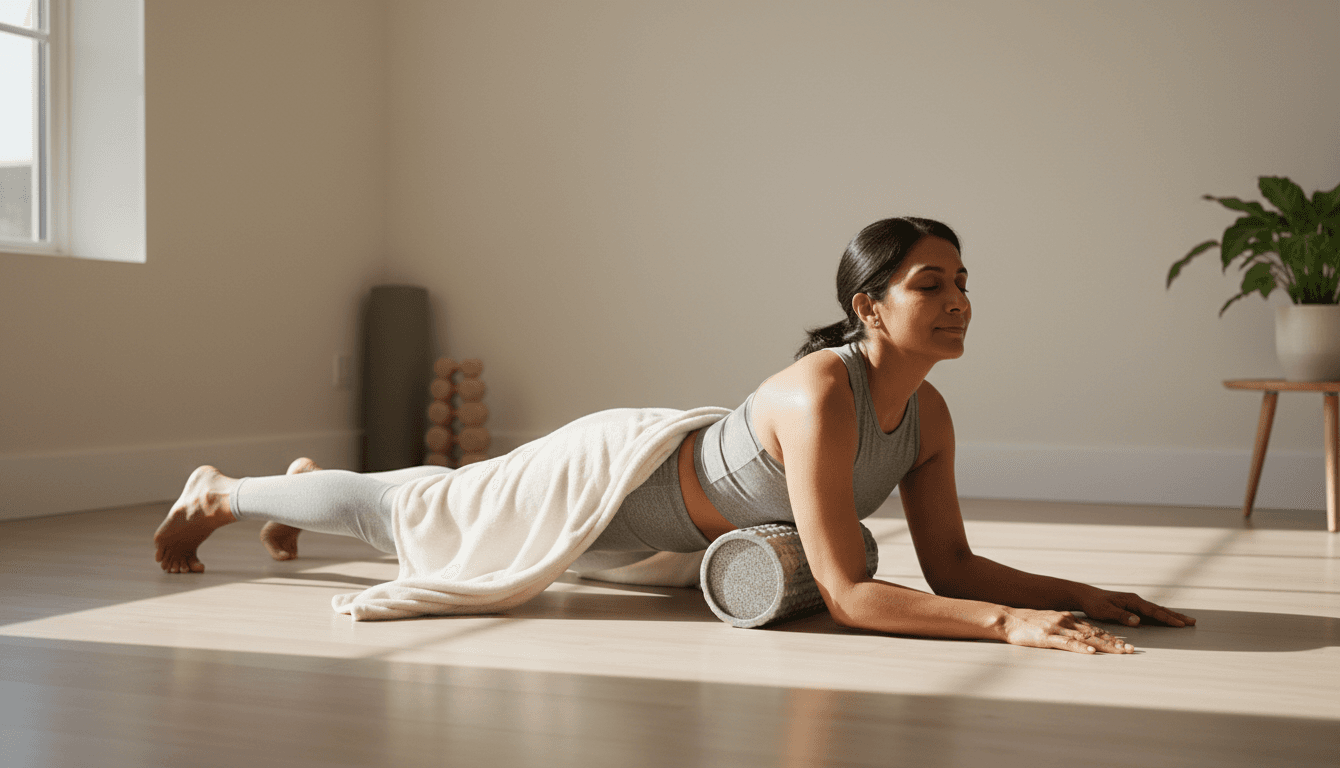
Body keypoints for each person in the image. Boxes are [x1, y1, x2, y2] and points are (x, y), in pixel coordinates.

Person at [156, 216, 1195, 653]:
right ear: (870, 307)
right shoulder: (823, 393)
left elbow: (952, 561)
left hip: (655, 530)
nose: (960, 301)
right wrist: (1004, 629)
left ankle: (305, 486)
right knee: (413, 509)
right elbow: (843, 593)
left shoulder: (927, 415)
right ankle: (222, 490)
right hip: (607, 480)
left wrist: (1077, 596)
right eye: (933, 284)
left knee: (410, 504)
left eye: (965, 283)